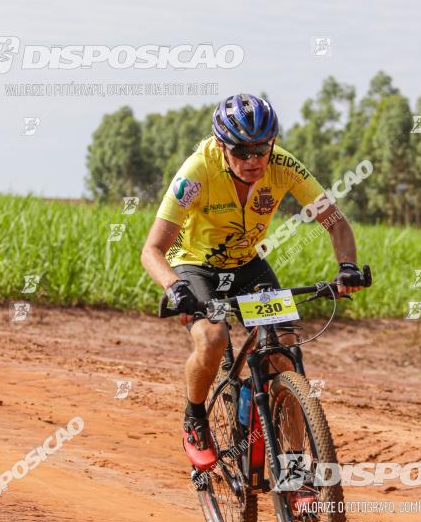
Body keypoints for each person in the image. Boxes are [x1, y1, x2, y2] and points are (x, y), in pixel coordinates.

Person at [141, 93, 363, 471]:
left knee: (285, 350)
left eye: (261, 149)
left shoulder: (282, 165)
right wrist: (174, 287)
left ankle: (292, 466)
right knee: (213, 337)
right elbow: (152, 250)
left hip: (247, 264)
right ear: (221, 146)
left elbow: (335, 220)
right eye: (242, 151)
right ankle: (195, 419)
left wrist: (347, 267)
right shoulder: (196, 172)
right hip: (195, 265)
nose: (254, 160)